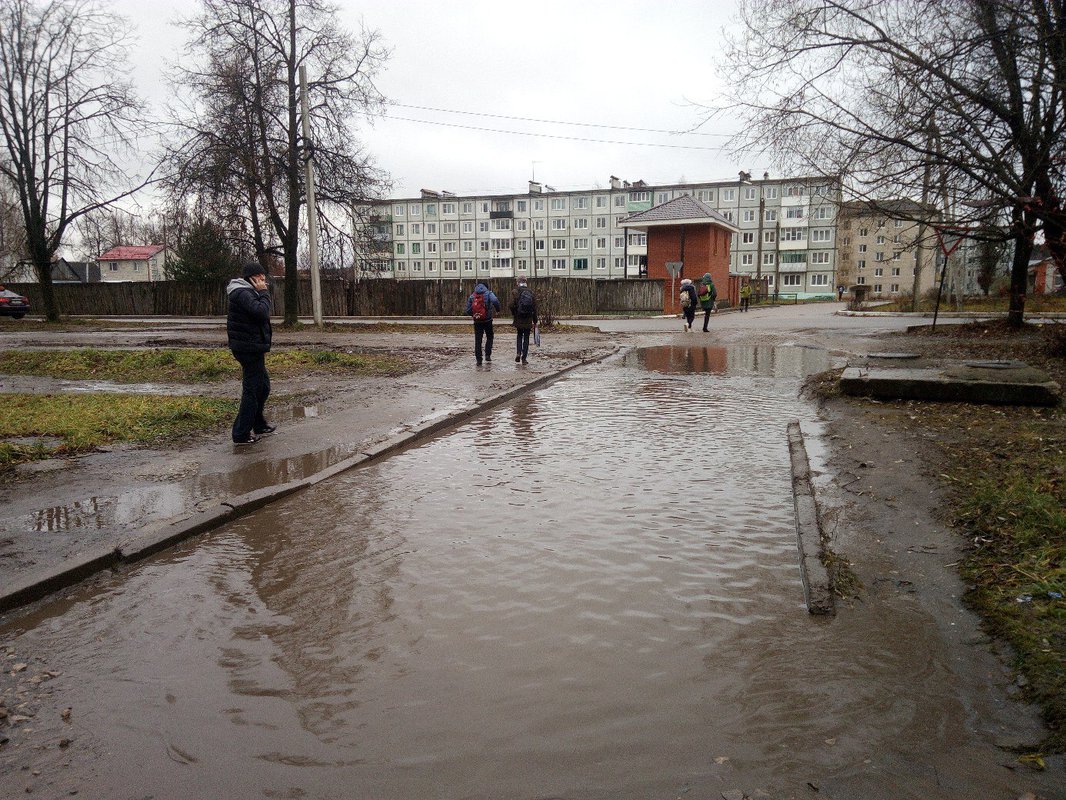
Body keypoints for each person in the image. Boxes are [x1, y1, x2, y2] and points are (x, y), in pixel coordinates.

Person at [226, 263, 274, 445]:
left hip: (252, 346)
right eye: (260, 277)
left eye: (263, 276)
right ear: (251, 278)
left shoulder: (247, 292)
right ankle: (241, 433)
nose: (263, 280)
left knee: (263, 386)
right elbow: (261, 312)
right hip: (248, 348)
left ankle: (258, 423)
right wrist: (263, 293)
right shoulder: (243, 293)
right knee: (252, 390)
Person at [464, 282, 501, 365]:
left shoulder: (473, 295)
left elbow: (467, 310)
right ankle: (487, 355)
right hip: (487, 320)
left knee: (478, 340)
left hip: (477, 321)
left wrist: (474, 314)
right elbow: (495, 300)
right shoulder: (488, 293)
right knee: (490, 337)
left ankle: (478, 359)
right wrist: (498, 309)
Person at [509, 277, 538, 364]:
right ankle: (524, 358)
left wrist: (515, 313)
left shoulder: (515, 291)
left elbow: (510, 305)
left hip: (519, 317)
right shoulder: (531, 292)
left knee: (519, 335)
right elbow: (534, 307)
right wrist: (535, 320)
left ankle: (518, 353)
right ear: (526, 282)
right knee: (526, 338)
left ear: (518, 282)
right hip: (528, 318)